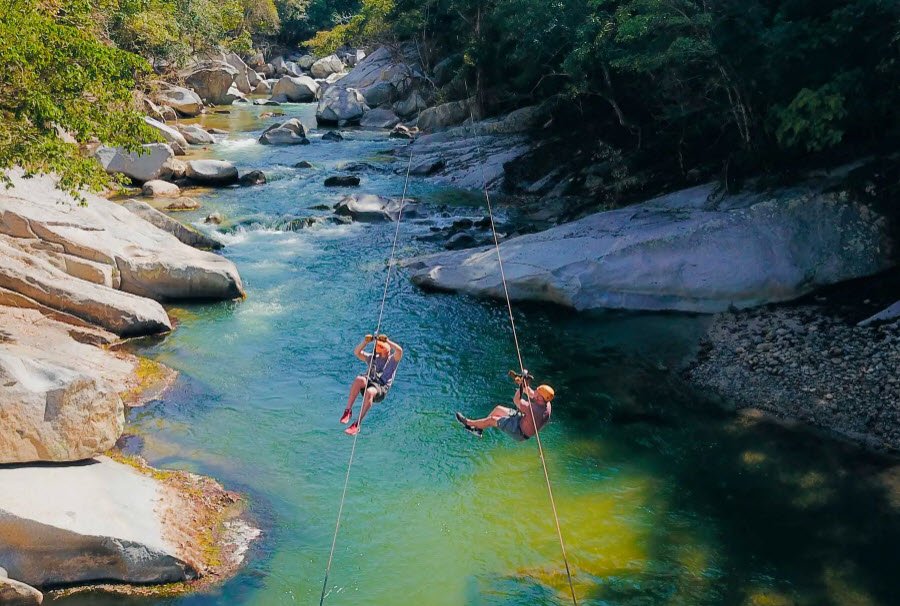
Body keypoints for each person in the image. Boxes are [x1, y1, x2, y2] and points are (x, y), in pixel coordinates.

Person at [455, 371, 554, 441]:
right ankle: (479, 429)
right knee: (498, 409)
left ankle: (468, 423)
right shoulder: (546, 403)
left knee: (492, 419)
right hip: (522, 420)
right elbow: (530, 393)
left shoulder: (533, 409)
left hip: (519, 431)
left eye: (537, 392)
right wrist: (523, 384)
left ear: (540, 398)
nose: (535, 391)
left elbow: (516, 400)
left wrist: (521, 386)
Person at [341, 333, 403, 435]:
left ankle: (357, 424)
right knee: (359, 379)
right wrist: (365, 342)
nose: (382, 353)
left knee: (370, 391)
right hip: (370, 381)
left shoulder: (393, 360)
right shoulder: (372, 357)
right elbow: (357, 352)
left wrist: (387, 341)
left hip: (380, 389)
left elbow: (399, 350)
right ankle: (348, 410)